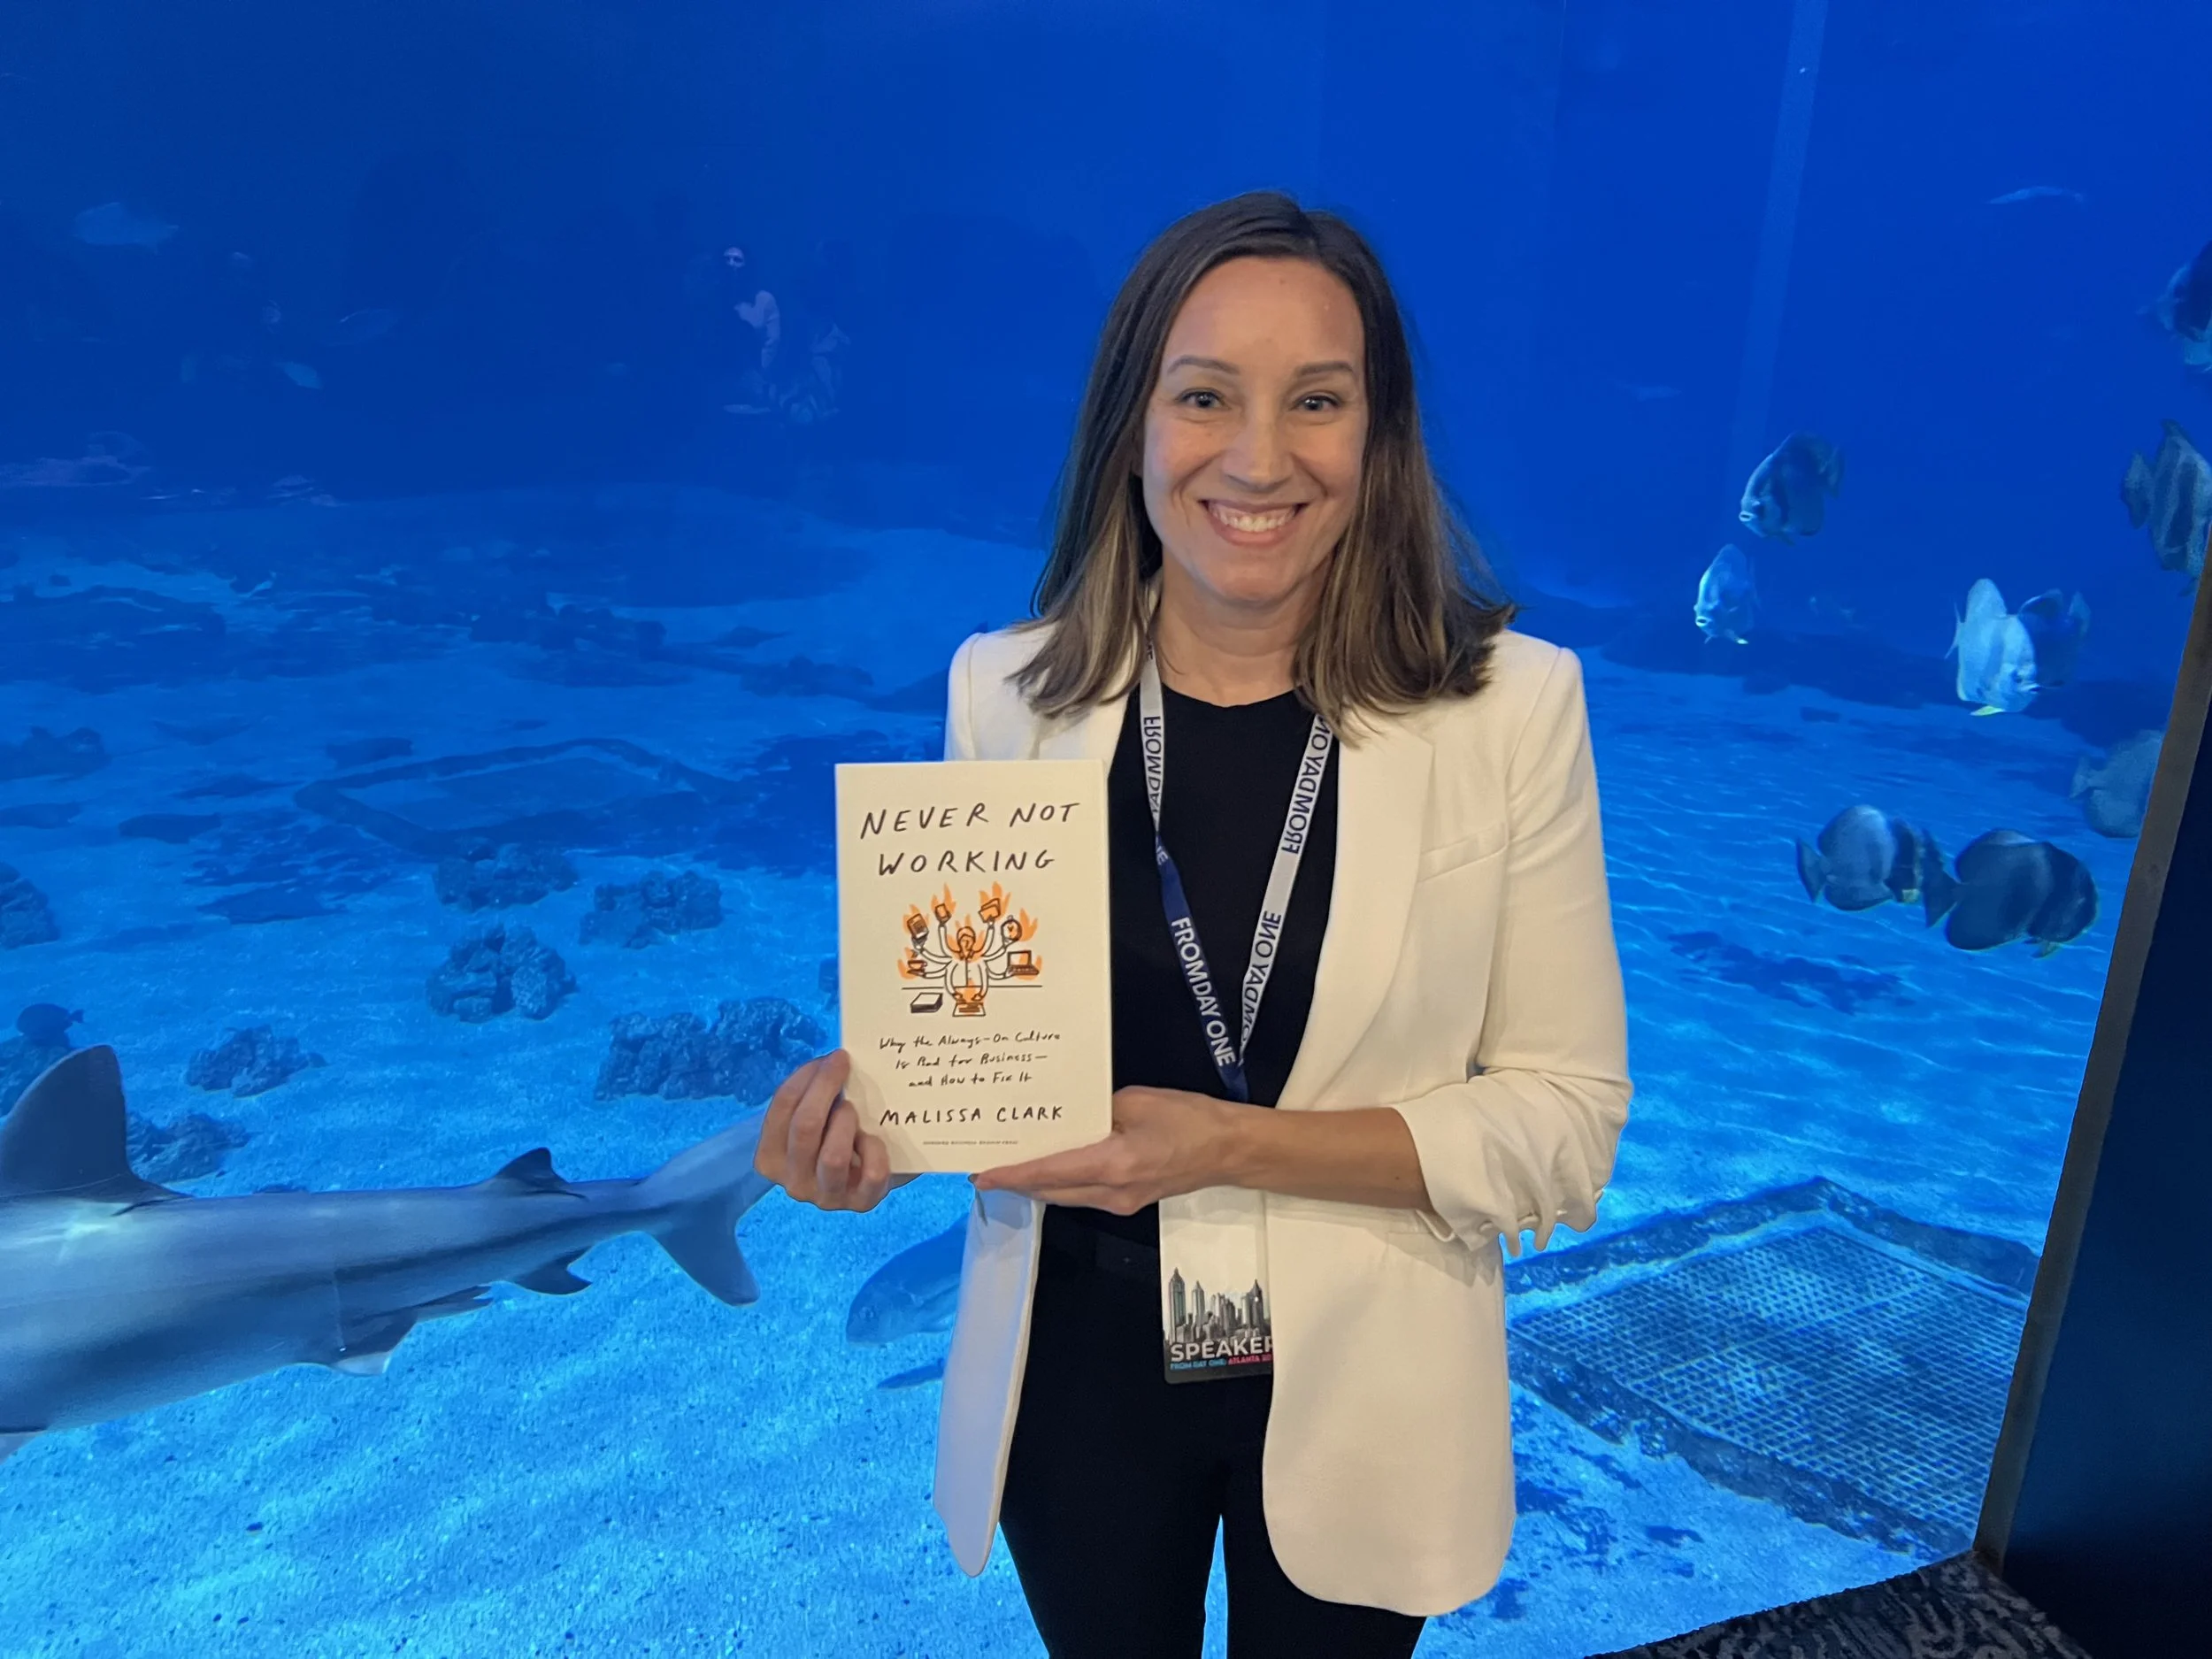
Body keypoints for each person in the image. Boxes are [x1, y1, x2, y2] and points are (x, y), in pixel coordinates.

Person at [755, 191, 1632, 1657]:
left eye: (1319, 401)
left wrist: (1228, 1147)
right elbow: (979, 1048)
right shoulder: (1003, 691)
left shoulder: (1514, 710)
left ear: (1381, 434)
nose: (1259, 455)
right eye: (1206, 395)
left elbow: (1562, 1124)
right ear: (1133, 424)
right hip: (1078, 1375)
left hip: (1369, 1372)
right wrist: (869, 1133)